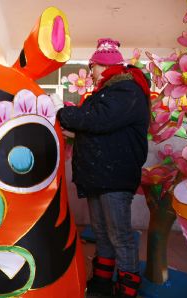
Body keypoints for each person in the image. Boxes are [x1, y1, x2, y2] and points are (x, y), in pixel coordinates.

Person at [51, 38, 150, 297]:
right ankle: (102, 282)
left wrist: (60, 113)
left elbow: (97, 120)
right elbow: (91, 123)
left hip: (114, 175)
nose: (91, 71)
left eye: (92, 66)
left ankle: (127, 288)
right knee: (103, 234)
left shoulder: (127, 90)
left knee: (120, 235)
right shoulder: (108, 92)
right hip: (99, 175)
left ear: (104, 66)